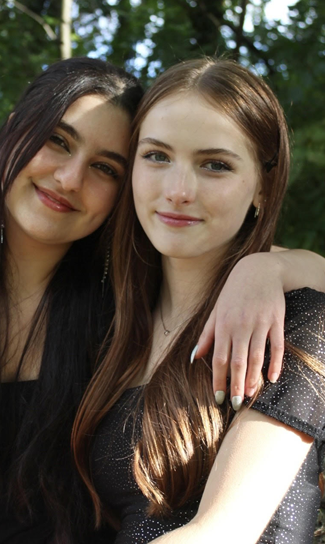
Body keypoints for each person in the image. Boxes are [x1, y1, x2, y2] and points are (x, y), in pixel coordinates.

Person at [0, 57, 324, 544]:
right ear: (10, 134)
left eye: (105, 167)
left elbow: (224, 529)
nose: (68, 178)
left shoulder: (140, 298)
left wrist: (266, 267)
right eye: (57, 140)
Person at [73, 58, 325, 544]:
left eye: (215, 165)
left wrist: (268, 266)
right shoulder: (112, 327)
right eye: (156, 156)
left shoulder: (299, 322)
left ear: (263, 187)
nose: (178, 191)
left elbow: (222, 532)